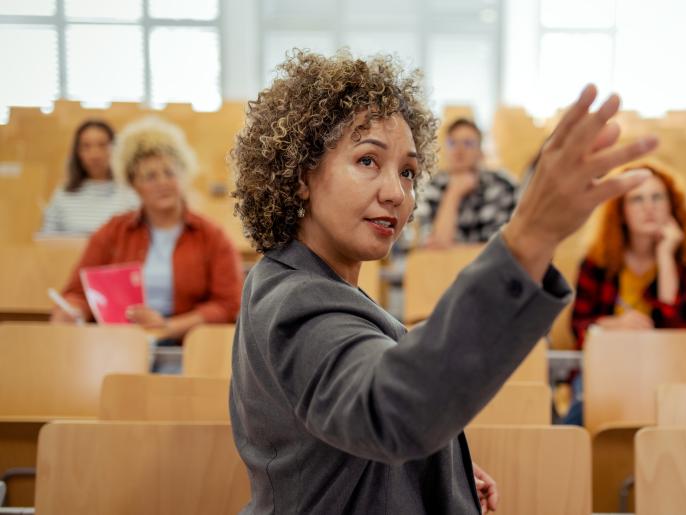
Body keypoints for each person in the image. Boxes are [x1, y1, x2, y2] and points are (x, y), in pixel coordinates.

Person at [228, 49, 656, 515]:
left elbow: (348, 436)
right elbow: (389, 411)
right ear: (300, 176)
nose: (396, 192)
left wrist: (438, 471)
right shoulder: (295, 300)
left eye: (408, 171)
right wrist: (529, 236)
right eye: (368, 160)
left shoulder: (311, 282)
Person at [50, 117, 243, 344]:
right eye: (150, 176)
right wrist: (73, 311)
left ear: (183, 175)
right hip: (121, 343)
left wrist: (168, 327)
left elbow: (228, 304)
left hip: (186, 346)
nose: (162, 182)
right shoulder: (112, 232)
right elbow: (78, 292)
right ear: (134, 185)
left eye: (169, 173)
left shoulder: (212, 236)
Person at [570, 158, 686, 349]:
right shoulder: (597, 261)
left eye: (657, 197)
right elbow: (578, 327)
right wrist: (614, 325)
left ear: (672, 205)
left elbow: (679, 333)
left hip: (665, 363)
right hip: (608, 360)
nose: (649, 207)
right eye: (637, 199)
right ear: (621, 212)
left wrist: (665, 256)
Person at [414, 118, 518, 247]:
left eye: (468, 143)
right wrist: (453, 193)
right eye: (452, 143)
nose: (459, 150)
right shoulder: (430, 187)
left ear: (481, 151)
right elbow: (435, 247)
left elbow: (502, 248)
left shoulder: (502, 186)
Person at [41, 119, 140, 234]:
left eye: (102, 145)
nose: (95, 154)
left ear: (115, 148)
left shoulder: (131, 193)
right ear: (78, 152)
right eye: (86, 146)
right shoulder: (63, 194)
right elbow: (47, 240)